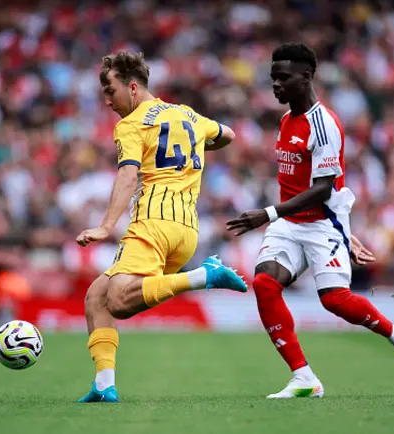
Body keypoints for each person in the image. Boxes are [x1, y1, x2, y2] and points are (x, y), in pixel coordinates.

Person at [227, 43, 394, 399]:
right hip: (289, 224)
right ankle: (304, 377)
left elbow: (322, 189)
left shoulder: (325, 125)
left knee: (334, 300)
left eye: (283, 77)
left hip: (321, 224)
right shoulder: (286, 120)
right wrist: (277, 217)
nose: (275, 84)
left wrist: (272, 214)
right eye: (273, 77)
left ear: (306, 77)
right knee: (264, 283)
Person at [76, 52, 247, 403]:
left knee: (119, 300)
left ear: (133, 87)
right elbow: (227, 134)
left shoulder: (131, 124)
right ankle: (104, 384)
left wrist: (106, 226)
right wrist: (200, 143)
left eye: (110, 91)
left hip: (153, 221)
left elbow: (127, 174)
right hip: (185, 229)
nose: (107, 101)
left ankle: (204, 276)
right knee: (97, 296)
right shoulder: (186, 113)